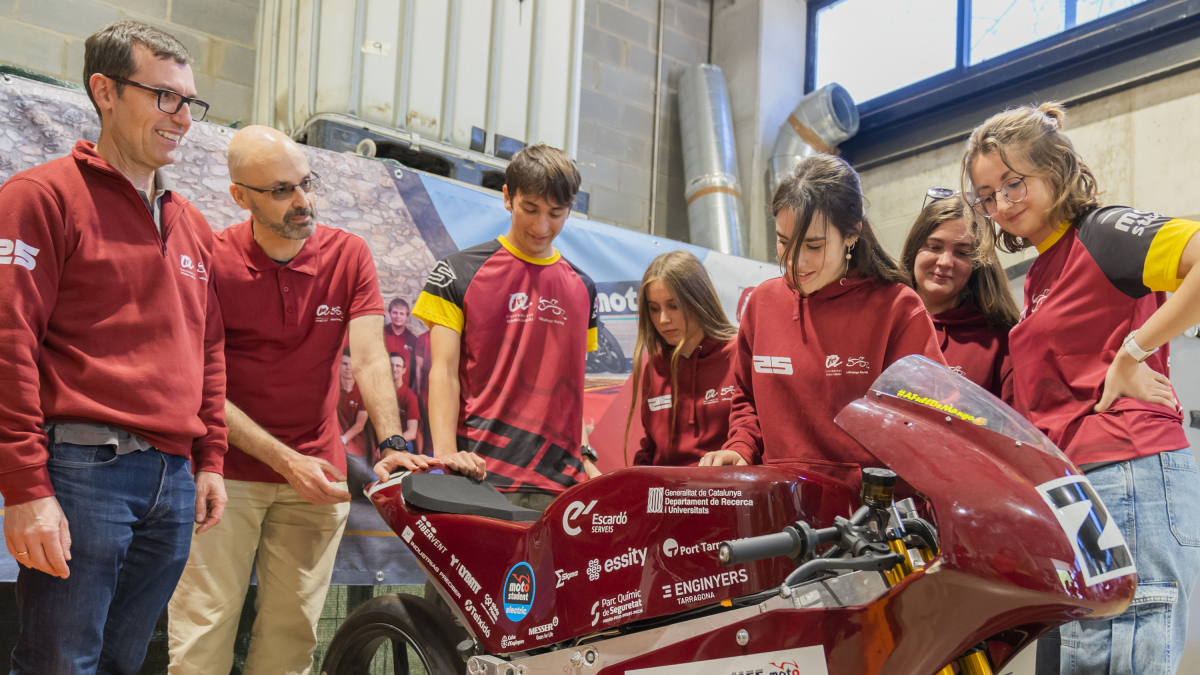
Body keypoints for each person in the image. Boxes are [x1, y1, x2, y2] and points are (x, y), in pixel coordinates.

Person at [165, 126, 476, 675]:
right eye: (281, 191)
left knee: (290, 643)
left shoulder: (348, 255)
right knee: (201, 639)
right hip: (224, 475)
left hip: (317, 476)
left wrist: (392, 442)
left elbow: (371, 357)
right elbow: (203, 383)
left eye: (306, 184)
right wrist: (287, 462)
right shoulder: (212, 259)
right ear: (240, 196)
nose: (302, 201)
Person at [0, 21, 227, 674]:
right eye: (165, 97)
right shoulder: (40, 197)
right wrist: (24, 487)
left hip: (173, 481)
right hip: (82, 470)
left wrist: (210, 458)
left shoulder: (192, 224)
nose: (184, 118)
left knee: (122, 666)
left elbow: (209, 349)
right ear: (105, 91)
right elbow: (9, 343)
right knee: (58, 665)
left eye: (190, 101)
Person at [963, 102, 1200, 675]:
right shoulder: (1044, 271)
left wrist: (1134, 351)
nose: (1002, 204)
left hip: (1126, 474)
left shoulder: (1103, 231)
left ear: (1054, 167)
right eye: (988, 195)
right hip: (1082, 490)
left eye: (1013, 183)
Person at [375, 143, 599, 508]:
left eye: (556, 213)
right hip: (480, 476)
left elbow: (573, 386)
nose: (542, 226)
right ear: (508, 197)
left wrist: (586, 455)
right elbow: (443, 371)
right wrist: (446, 455)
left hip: (564, 487)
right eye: (530, 209)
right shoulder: (456, 273)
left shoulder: (584, 287)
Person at [712, 154, 946, 488]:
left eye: (813, 245)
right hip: (779, 503)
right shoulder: (762, 303)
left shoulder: (898, 308)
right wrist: (740, 446)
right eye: (783, 241)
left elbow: (930, 421)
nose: (795, 261)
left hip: (863, 511)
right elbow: (746, 398)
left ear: (851, 234)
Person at [899, 193, 1019, 398]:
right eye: (934, 247)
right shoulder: (883, 323)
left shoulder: (998, 342)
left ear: (977, 264)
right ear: (913, 249)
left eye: (962, 253)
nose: (945, 262)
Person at [625, 250, 738, 467]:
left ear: (699, 300)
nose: (663, 319)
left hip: (727, 485)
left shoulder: (739, 353)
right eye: (654, 309)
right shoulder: (654, 367)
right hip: (666, 486)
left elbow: (755, 434)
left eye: (673, 305)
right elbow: (651, 448)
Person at [384, 297, 422, 390]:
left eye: (402, 313)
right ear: (389, 313)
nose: (398, 316)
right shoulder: (380, 335)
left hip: (404, 392)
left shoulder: (414, 340)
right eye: (395, 312)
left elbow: (417, 369)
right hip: (382, 389)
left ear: (406, 316)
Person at [389, 352, 421, 454]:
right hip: (380, 438)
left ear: (404, 370)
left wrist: (387, 444)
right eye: (391, 365)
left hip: (400, 440)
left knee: (407, 445)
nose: (394, 369)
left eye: (398, 366)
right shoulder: (379, 393)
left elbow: (412, 433)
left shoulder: (410, 397)